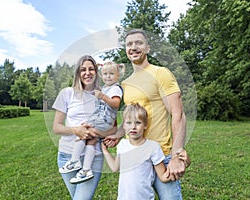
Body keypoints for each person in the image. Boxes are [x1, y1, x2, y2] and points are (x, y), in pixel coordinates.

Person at [103, 29, 190, 200]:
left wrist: (176, 155)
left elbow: (178, 114)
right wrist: (118, 135)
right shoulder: (126, 84)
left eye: (138, 43)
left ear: (148, 48)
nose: (133, 47)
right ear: (126, 50)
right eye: (129, 44)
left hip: (161, 156)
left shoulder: (160, 73)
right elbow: (130, 120)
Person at [52, 55, 117, 199]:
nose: (87, 73)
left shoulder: (104, 95)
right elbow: (56, 127)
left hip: (93, 158)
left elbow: (113, 129)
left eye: (91, 69)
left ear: (96, 72)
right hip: (67, 156)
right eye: (83, 70)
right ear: (78, 73)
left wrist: (95, 132)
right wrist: (77, 130)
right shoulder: (67, 93)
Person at [59, 61, 124, 184]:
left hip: (106, 120)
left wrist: (103, 97)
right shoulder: (105, 87)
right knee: (91, 140)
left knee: (85, 131)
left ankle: (74, 160)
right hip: (100, 118)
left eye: (111, 74)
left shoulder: (116, 88)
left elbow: (115, 104)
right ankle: (86, 170)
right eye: (105, 74)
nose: (108, 76)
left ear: (117, 76)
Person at [102, 103, 181, 200]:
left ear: (145, 125)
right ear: (124, 126)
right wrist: (104, 149)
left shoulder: (153, 147)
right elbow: (115, 167)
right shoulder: (122, 145)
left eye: (138, 123)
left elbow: (163, 176)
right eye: (129, 123)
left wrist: (179, 168)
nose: (133, 127)